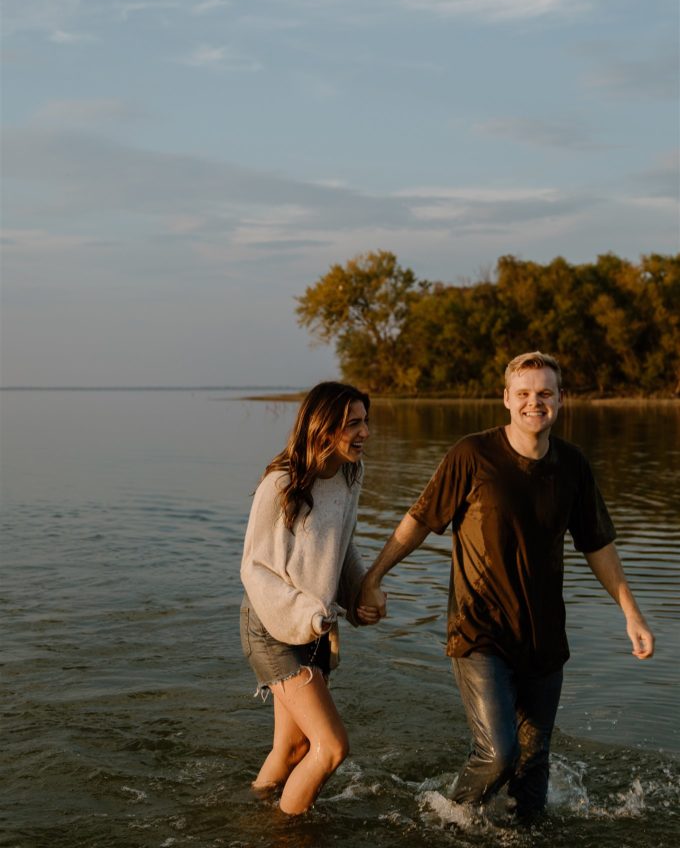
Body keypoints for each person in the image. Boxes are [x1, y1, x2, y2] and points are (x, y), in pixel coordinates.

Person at [359, 351, 655, 821]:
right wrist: (372, 578)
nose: (533, 402)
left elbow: (597, 545)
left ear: (561, 400)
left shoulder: (573, 466)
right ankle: (445, 819)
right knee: (499, 753)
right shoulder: (472, 455)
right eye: (523, 393)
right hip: (479, 631)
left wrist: (631, 613)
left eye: (544, 393)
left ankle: (524, 835)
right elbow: (418, 521)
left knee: (534, 763)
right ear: (505, 399)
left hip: (544, 636)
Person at [240, 381, 378, 815]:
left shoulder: (349, 474)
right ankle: (285, 835)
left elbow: (342, 546)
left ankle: (252, 813)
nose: (365, 433)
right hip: (271, 626)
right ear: (323, 428)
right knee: (332, 747)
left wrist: (359, 595)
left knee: (294, 747)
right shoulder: (281, 484)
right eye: (353, 424)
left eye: (365, 422)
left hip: (312, 627)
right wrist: (312, 613)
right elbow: (255, 570)